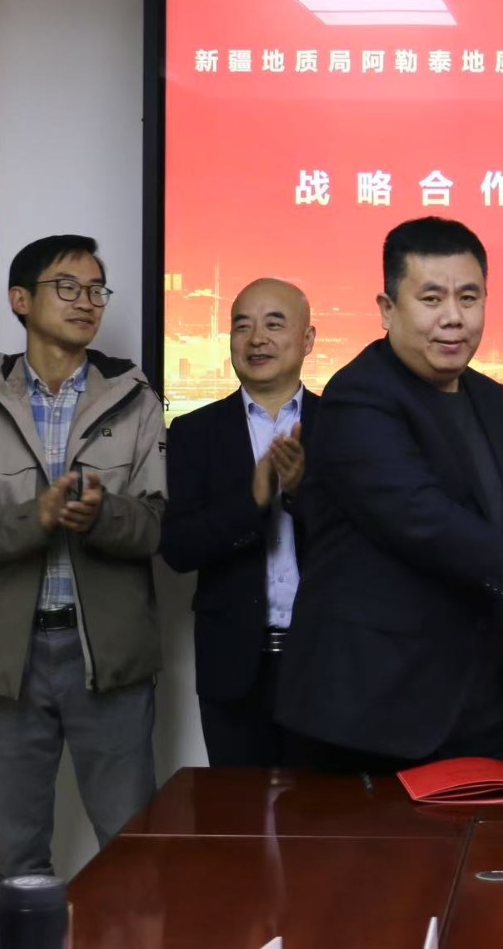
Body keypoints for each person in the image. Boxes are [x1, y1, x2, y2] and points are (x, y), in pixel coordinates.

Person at [274, 217, 503, 774]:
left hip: (484, 697)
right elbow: (421, 517)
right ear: (387, 309)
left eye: (468, 297)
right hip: (376, 707)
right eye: (431, 298)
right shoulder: (358, 397)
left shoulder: (493, 400)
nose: (453, 317)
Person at [0, 234, 164, 879]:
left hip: (106, 658)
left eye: (96, 290)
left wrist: (99, 516)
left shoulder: (136, 402)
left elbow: (155, 527)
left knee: (133, 852)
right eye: (67, 287)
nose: (86, 302)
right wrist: (39, 517)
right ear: (20, 300)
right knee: (20, 855)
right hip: (10, 659)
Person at [160, 278, 319, 767]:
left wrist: (299, 493)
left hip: (324, 660)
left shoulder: (341, 425)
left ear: (308, 340)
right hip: (231, 663)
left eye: (274, 324)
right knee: (234, 809)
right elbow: (177, 548)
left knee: (323, 810)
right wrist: (252, 502)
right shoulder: (194, 431)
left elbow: (367, 541)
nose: (256, 339)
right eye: (242, 326)